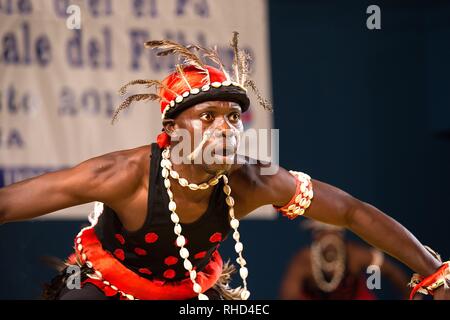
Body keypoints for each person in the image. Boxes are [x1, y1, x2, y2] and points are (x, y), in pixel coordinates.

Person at [0, 32, 448, 300]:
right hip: (103, 287)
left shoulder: (252, 180)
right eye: (207, 117)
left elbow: (351, 212)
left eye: (233, 118)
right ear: (174, 129)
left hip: (193, 294)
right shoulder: (123, 176)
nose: (225, 129)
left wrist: (433, 272)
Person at [280, 221, 410, 300]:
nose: (329, 238)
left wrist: (411, 296)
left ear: (341, 234)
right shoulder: (304, 261)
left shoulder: (356, 255)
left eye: (334, 232)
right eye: (322, 232)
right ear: (315, 236)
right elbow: (288, 296)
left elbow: (391, 271)